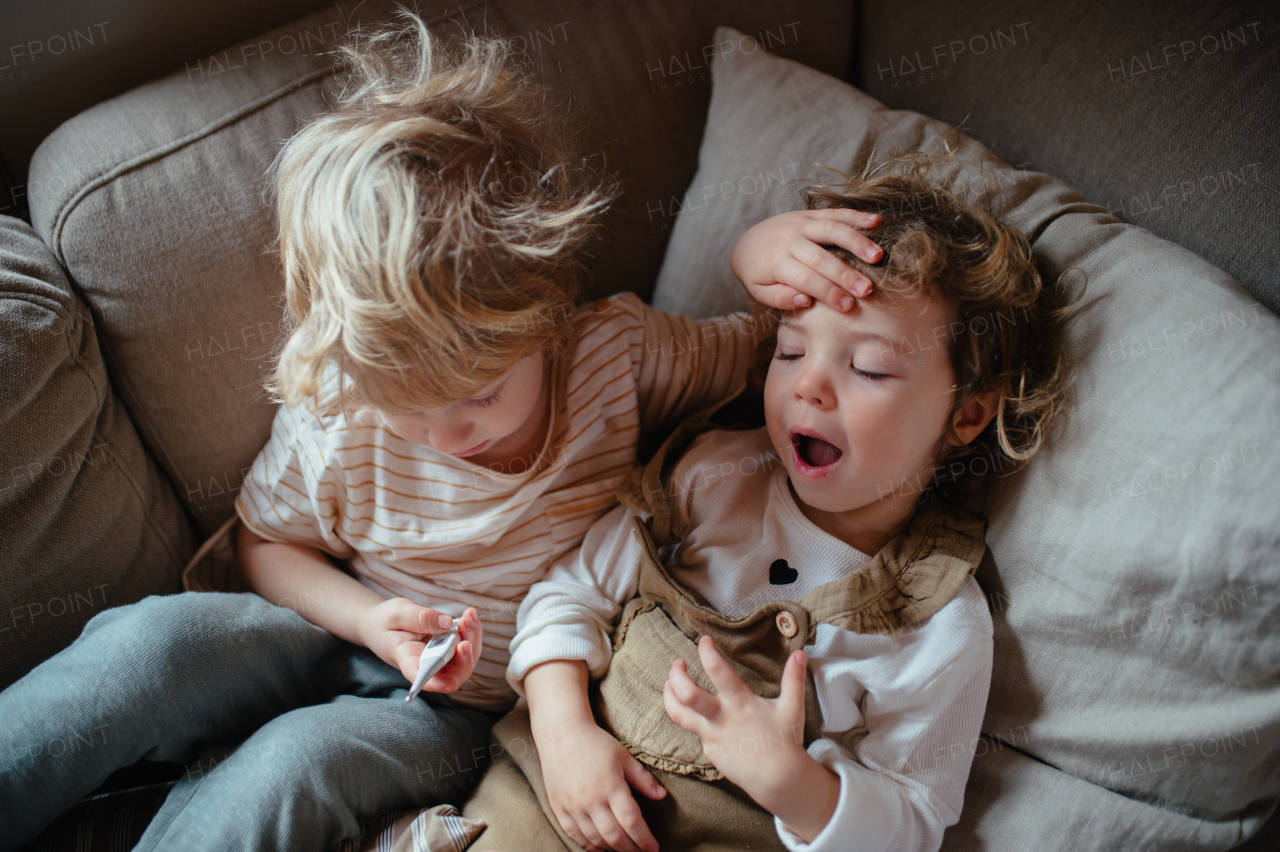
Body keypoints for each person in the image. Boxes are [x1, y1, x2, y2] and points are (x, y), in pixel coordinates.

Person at [0, 12, 887, 852]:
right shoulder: (341, 402)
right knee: (145, 652)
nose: (441, 433)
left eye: (479, 396)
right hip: (331, 626)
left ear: (546, 315)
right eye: (404, 405)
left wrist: (752, 252)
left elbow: (767, 365)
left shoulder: (614, 356)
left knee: (290, 771)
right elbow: (266, 544)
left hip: (458, 712)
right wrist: (368, 619)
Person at [442, 162, 1076, 852]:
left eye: (867, 369)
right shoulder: (715, 475)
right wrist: (564, 735)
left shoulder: (937, 622)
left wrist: (789, 783)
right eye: (792, 349)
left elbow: (914, 821)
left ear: (968, 414)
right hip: (545, 801)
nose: (809, 386)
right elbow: (568, 593)